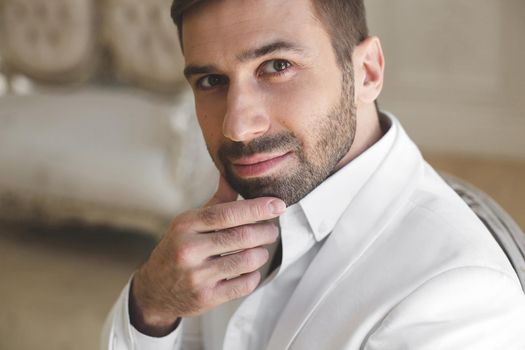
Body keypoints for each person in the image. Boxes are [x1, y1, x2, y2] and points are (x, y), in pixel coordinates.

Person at [101, 0, 525, 349]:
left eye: (277, 66)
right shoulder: (234, 205)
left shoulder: (461, 298)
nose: (237, 126)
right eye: (212, 80)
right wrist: (153, 305)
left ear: (366, 72)